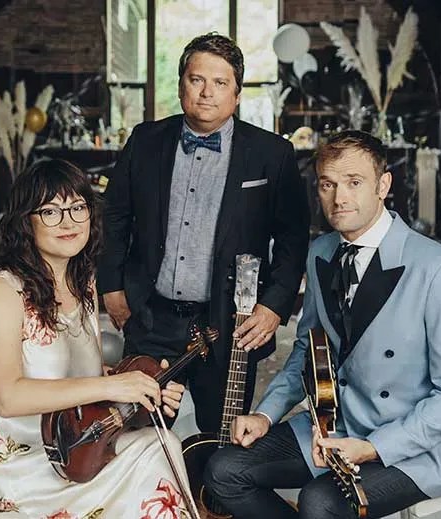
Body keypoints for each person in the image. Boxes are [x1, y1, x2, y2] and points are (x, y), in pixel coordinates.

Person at [204, 131, 441, 518]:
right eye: (327, 184)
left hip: (416, 448)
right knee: (223, 470)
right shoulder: (321, 253)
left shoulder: (438, 269)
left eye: (354, 183)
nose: (339, 198)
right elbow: (307, 349)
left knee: (320, 501)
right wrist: (265, 414)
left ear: (383, 185)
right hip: (337, 428)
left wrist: (374, 447)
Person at [0, 159, 193, 518]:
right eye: (50, 211)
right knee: (154, 459)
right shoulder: (1, 292)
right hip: (12, 467)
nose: (68, 221)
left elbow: (86, 383)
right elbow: (8, 397)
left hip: (75, 450)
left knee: (164, 445)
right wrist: (112, 387)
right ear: (24, 221)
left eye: (78, 207)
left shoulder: (83, 286)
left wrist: (141, 387)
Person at [98, 33, 310, 433]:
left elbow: (293, 239)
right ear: (181, 86)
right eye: (197, 80)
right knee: (137, 434)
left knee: (221, 439)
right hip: (151, 316)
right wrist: (111, 285)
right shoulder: (145, 141)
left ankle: (210, 497)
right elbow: (115, 216)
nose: (207, 92)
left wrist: (275, 305)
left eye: (220, 83)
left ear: (237, 94)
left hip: (231, 321)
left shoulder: (272, 154)